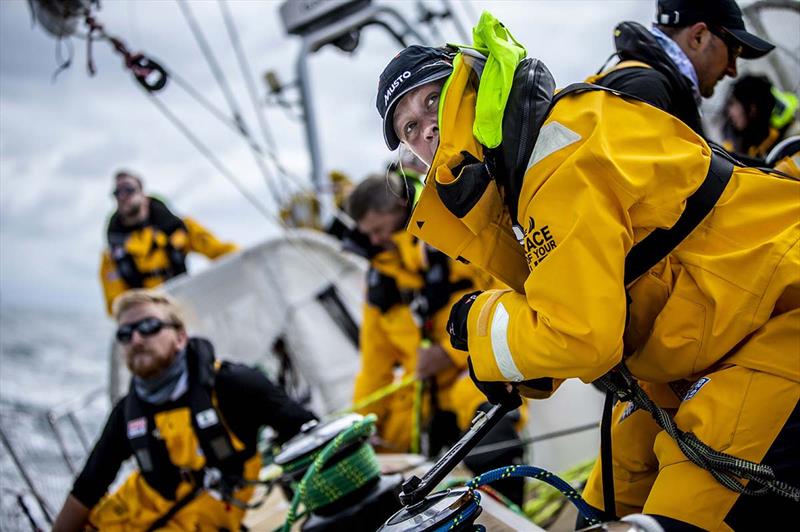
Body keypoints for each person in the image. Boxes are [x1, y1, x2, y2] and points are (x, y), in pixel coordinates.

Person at [374, 11, 798, 530]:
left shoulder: (553, 163)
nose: (426, 129)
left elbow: (581, 336)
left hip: (773, 319)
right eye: (409, 128)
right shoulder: (519, 170)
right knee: (603, 504)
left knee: (681, 517)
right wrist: (526, 367)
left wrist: (482, 326)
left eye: (432, 100)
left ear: (469, 83)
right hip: (699, 339)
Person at [53, 290, 316, 531]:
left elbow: (308, 433)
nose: (136, 339)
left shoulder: (232, 385)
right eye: (125, 334)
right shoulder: (126, 414)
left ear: (180, 337)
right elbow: (88, 488)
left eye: (149, 326)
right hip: (124, 518)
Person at [346, 172, 527, 504]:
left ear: (401, 210)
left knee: (489, 436)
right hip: (423, 397)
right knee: (375, 469)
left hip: (475, 375)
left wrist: (450, 353)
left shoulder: (456, 237)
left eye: (377, 230)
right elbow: (374, 368)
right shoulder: (380, 282)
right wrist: (359, 431)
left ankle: (510, 512)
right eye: (366, 234)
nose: (373, 241)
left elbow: (508, 297)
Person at [588, 0, 774, 136]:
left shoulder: (664, 90)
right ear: (698, 36)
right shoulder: (647, 89)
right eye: (733, 52)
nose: (732, 71)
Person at [100, 170, 238, 315]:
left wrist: (247, 259)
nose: (122, 196)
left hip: (185, 307)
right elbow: (115, 303)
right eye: (117, 192)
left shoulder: (181, 229)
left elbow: (220, 251)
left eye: (128, 189)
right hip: (150, 319)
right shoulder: (111, 255)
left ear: (143, 193)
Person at [721, 74, 799, 160]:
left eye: (733, 104)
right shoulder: (747, 145)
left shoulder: (793, 140)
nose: (730, 113)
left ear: (752, 108)